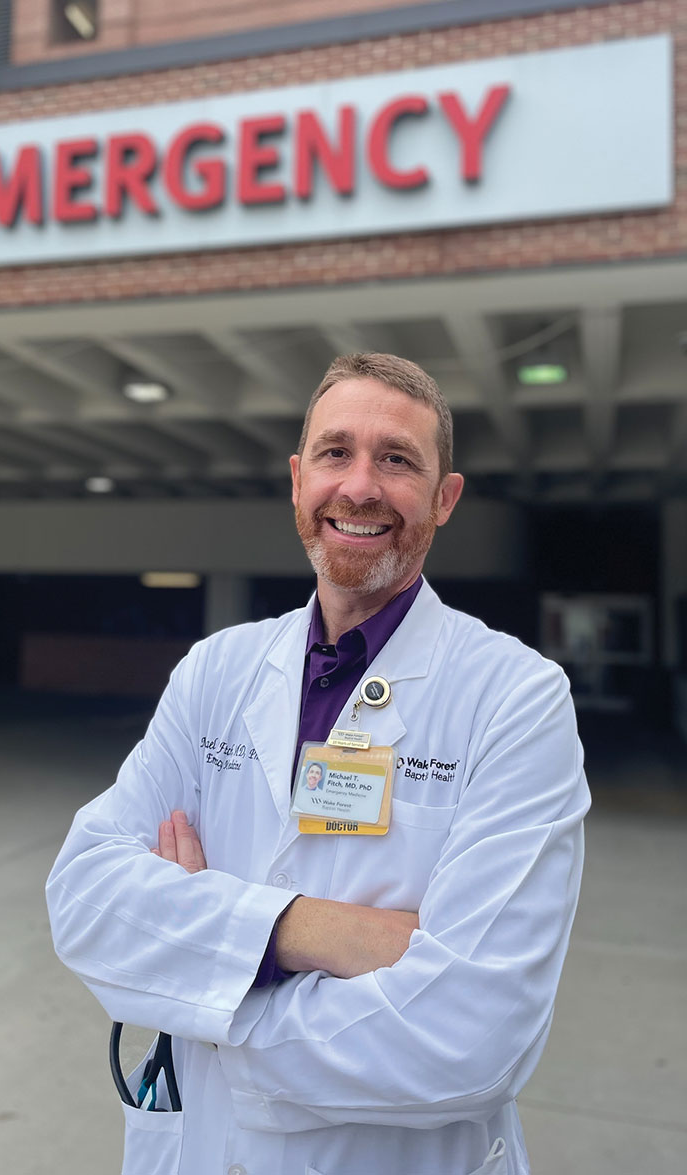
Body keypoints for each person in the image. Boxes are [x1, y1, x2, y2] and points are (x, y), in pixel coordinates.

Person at [46, 353, 590, 1175]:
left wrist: (206, 988)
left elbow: (473, 1033)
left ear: (444, 500)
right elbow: (85, 899)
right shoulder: (215, 670)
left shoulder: (516, 698)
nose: (360, 486)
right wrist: (318, 931)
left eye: (397, 459)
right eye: (336, 453)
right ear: (299, 480)